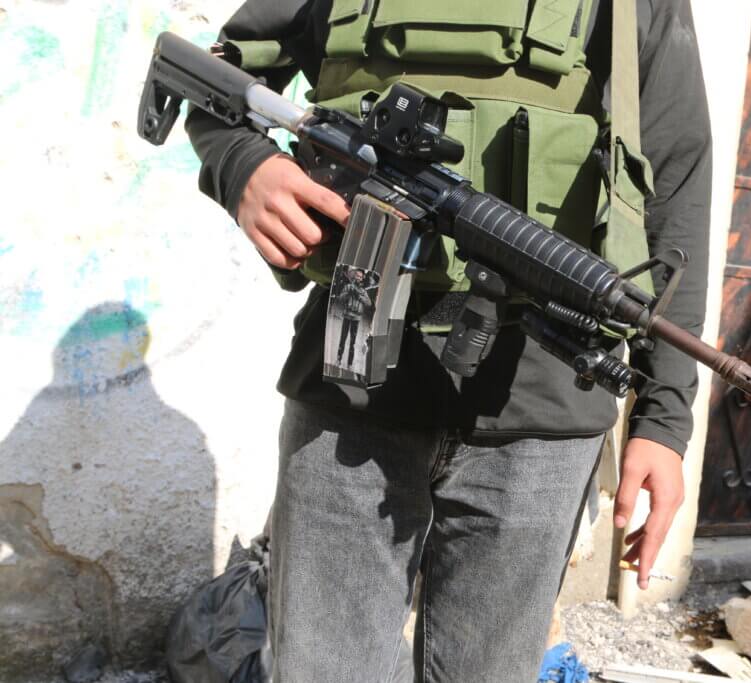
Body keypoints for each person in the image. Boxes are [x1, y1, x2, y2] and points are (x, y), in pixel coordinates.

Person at [186, 0, 711, 679]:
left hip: (543, 407)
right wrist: (244, 167)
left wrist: (665, 418)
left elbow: (678, 179)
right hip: (345, 397)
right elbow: (211, 76)